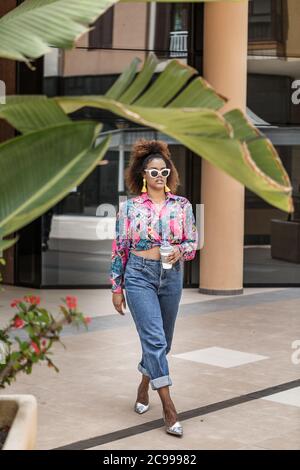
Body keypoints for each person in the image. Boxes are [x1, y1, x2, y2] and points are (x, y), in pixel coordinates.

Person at [110, 139, 198, 437]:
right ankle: (169, 406)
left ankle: (144, 384)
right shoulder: (130, 208)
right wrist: (116, 286)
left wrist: (180, 251)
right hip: (138, 275)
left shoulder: (182, 206)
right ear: (142, 175)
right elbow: (120, 247)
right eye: (153, 172)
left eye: (164, 171)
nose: (159, 176)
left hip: (171, 276)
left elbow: (192, 243)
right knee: (155, 341)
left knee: (164, 342)